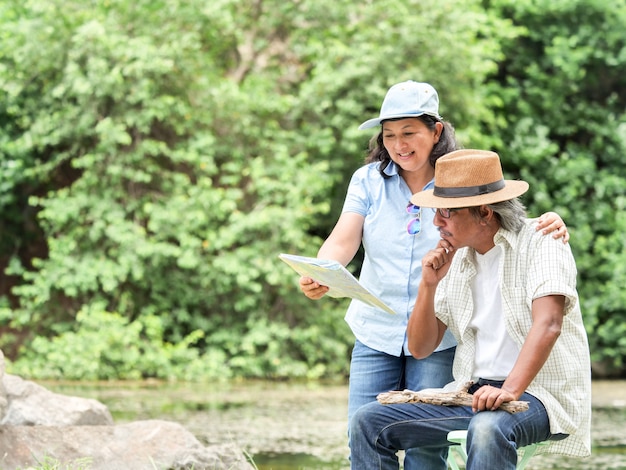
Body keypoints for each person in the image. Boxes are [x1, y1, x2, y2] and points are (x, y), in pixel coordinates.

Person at [298, 80, 570, 467]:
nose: (398, 144)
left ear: (436, 131)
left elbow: (504, 221)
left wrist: (553, 222)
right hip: (377, 326)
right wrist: (322, 271)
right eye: (389, 135)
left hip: (440, 335)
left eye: (409, 132)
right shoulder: (369, 180)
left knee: (427, 448)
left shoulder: (457, 180)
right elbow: (344, 238)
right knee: (363, 427)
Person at [349, 149, 591, 470]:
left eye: (445, 213)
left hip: (538, 396)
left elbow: (548, 324)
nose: (435, 222)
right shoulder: (459, 259)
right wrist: (429, 284)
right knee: (368, 421)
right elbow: (421, 348)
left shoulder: (542, 240)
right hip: (471, 396)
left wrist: (508, 391)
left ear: (485, 212)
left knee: (489, 427)